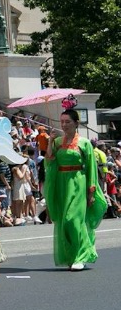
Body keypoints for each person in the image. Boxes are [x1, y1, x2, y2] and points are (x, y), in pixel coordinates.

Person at [44, 109, 107, 270]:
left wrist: (91, 191)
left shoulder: (84, 143)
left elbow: (92, 168)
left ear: (76, 123)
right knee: (65, 222)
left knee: (74, 220)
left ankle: (81, 255)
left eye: (68, 122)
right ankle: (72, 256)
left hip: (79, 183)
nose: (64, 125)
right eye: (62, 121)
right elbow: (49, 161)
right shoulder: (58, 142)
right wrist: (50, 141)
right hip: (62, 184)